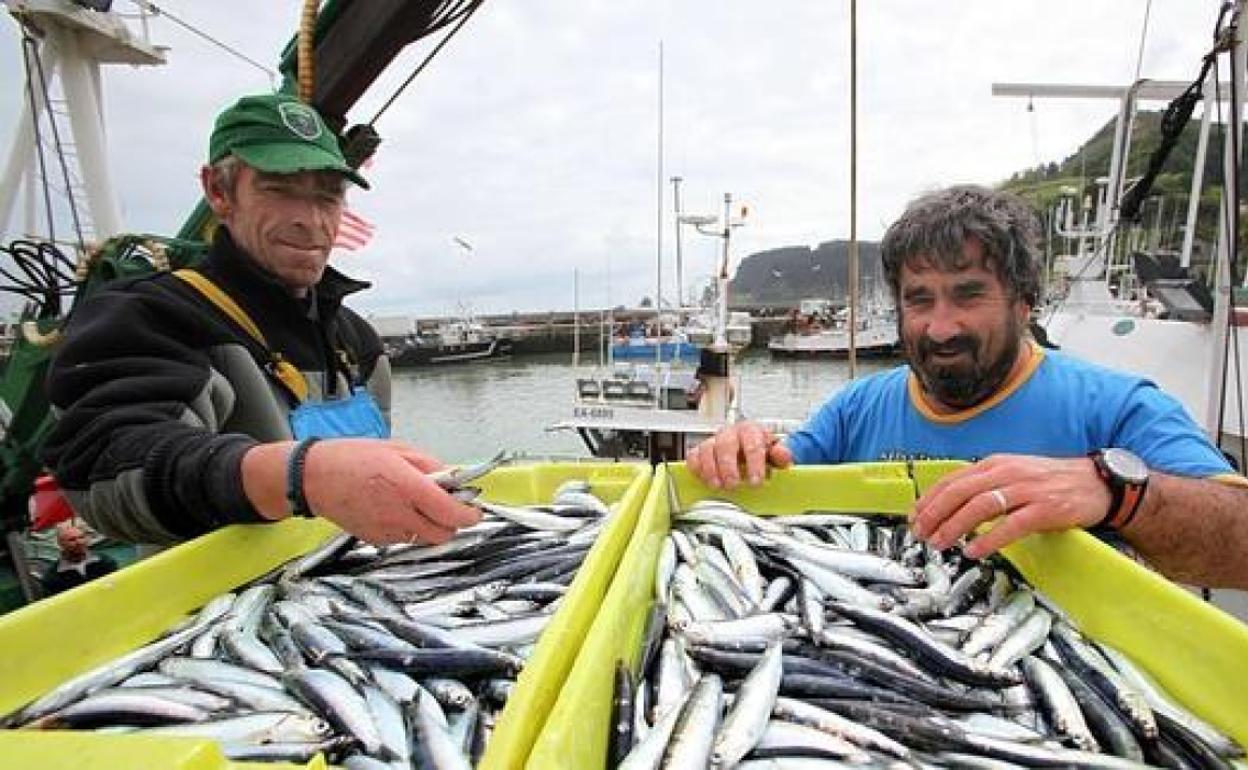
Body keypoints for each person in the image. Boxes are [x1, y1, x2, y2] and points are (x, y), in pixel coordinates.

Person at [687, 184, 1248, 589]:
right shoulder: (854, 410)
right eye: (920, 299)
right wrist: (739, 454)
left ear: (1024, 302)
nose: (940, 326)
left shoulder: (1119, 408)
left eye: (968, 294)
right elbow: (775, 486)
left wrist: (1118, 492)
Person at [42, 92, 479, 546]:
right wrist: (301, 476)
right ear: (218, 191)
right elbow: (107, 471)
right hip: (222, 609)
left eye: (328, 196)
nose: (310, 220)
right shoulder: (149, 317)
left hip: (354, 587)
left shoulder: (358, 341)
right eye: (279, 188)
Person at [40, 523, 117, 596]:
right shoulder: (52, 577)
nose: (79, 542)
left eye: (81, 537)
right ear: (61, 544)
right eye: (72, 540)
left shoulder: (105, 561)